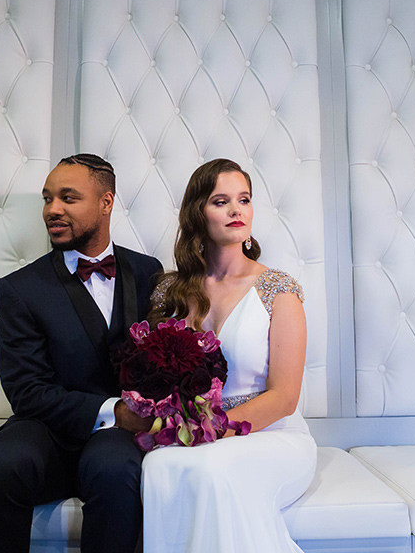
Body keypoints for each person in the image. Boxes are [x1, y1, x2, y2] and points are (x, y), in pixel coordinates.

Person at [0, 153, 163, 553]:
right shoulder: (19, 289)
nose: (52, 210)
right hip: (45, 430)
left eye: (68, 198)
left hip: (116, 439)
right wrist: (116, 411)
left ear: (106, 202)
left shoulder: (149, 273)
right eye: (47, 199)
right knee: (2, 466)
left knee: (115, 470)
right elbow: (26, 392)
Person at [142, 158, 317, 552]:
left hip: (272, 434)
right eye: (221, 201)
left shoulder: (279, 290)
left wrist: (211, 429)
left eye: (244, 199)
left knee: (213, 470)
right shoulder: (169, 292)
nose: (237, 210)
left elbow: (285, 397)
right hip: (195, 435)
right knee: (157, 466)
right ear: (198, 212)